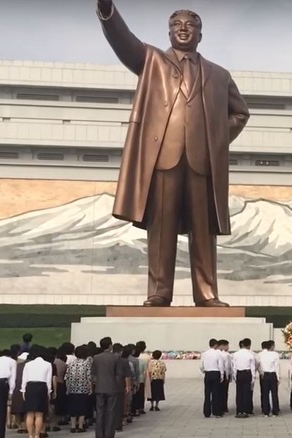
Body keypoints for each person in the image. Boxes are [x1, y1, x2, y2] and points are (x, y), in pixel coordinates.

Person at [94, 0, 250, 308]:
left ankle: (206, 293)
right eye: (176, 25)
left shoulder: (219, 75)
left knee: (204, 232)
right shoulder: (151, 61)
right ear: (168, 32)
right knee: (161, 228)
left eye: (190, 25)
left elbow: (240, 114)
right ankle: (159, 292)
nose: (183, 29)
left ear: (200, 35)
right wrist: (108, 12)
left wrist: (215, 139)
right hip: (163, 158)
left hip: (201, 163)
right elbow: (123, 41)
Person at [92, 337, 128, 438]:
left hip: (99, 387)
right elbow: (118, 374)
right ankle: (109, 434)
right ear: (110, 346)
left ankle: (99, 434)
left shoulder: (96, 357)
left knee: (100, 412)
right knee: (111, 412)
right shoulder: (116, 358)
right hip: (112, 387)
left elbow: (93, 374)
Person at [20, 346, 52, 438]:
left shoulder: (28, 364)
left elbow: (24, 379)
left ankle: (30, 435)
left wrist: (23, 391)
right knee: (39, 414)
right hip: (42, 387)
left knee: (29, 414)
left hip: (30, 386)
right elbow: (48, 381)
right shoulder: (47, 364)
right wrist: (48, 393)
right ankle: (37, 435)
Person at [65, 345, 92, 433]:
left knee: (73, 408)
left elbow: (67, 376)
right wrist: (90, 388)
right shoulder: (86, 363)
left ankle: (73, 426)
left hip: (72, 388)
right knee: (82, 408)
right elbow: (89, 377)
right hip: (83, 388)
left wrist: (67, 388)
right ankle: (80, 426)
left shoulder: (71, 363)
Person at [200, 340, 225, 418]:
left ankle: (207, 412)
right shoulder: (218, 353)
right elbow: (221, 365)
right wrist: (222, 375)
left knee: (207, 393)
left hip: (208, 374)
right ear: (216, 345)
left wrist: (204, 371)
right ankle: (216, 412)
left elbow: (201, 365)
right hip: (216, 373)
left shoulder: (204, 354)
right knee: (216, 394)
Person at [257, 341, 280, 417]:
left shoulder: (260, 355)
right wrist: (278, 377)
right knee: (274, 394)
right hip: (273, 374)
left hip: (264, 375)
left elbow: (259, 365)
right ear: (271, 346)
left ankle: (266, 411)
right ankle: (275, 411)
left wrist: (261, 373)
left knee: (265, 393)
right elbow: (277, 367)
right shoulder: (275, 354)